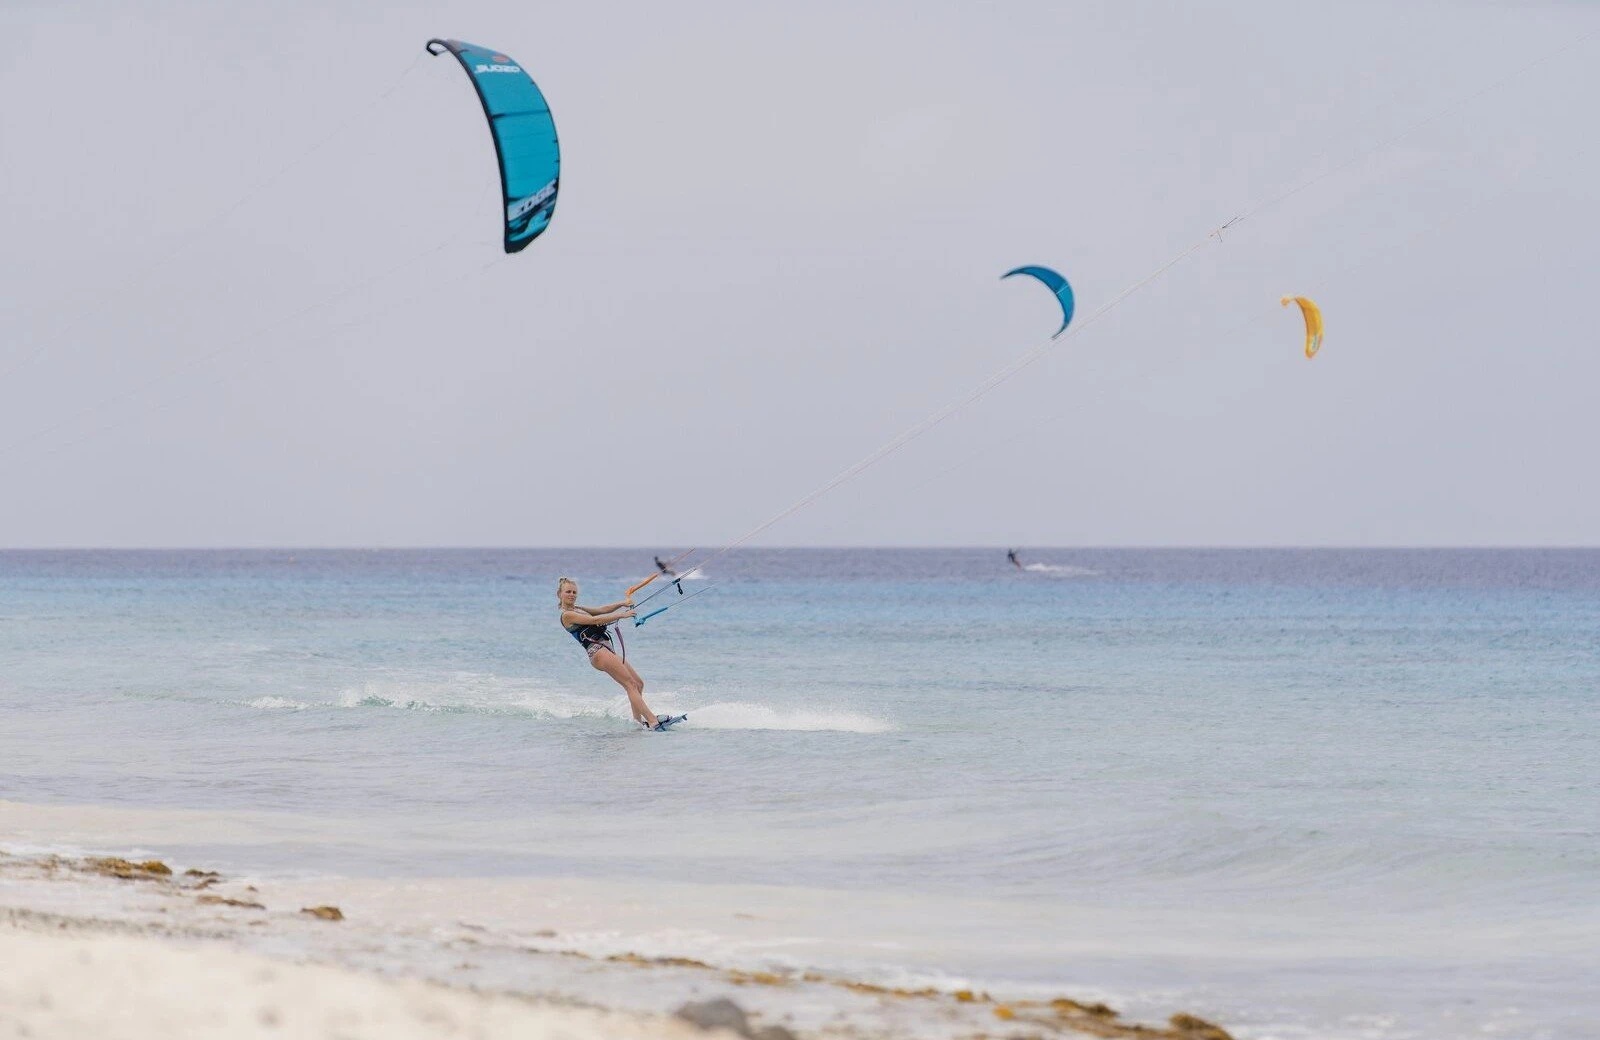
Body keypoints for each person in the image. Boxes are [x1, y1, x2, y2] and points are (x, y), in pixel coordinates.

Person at [556, 577, 660, 729]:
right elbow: (595, 620)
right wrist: (622, 615)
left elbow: (601, 610)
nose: (572, 594)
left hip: (606, 649)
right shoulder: (567, 615)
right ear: (560, 594)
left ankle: (638, 724)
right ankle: (653, 721)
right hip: (597, 651)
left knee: (638, 684)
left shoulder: (577, 609)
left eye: (574, 592)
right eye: (568, 592)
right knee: (630, 684)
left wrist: (621, 604)